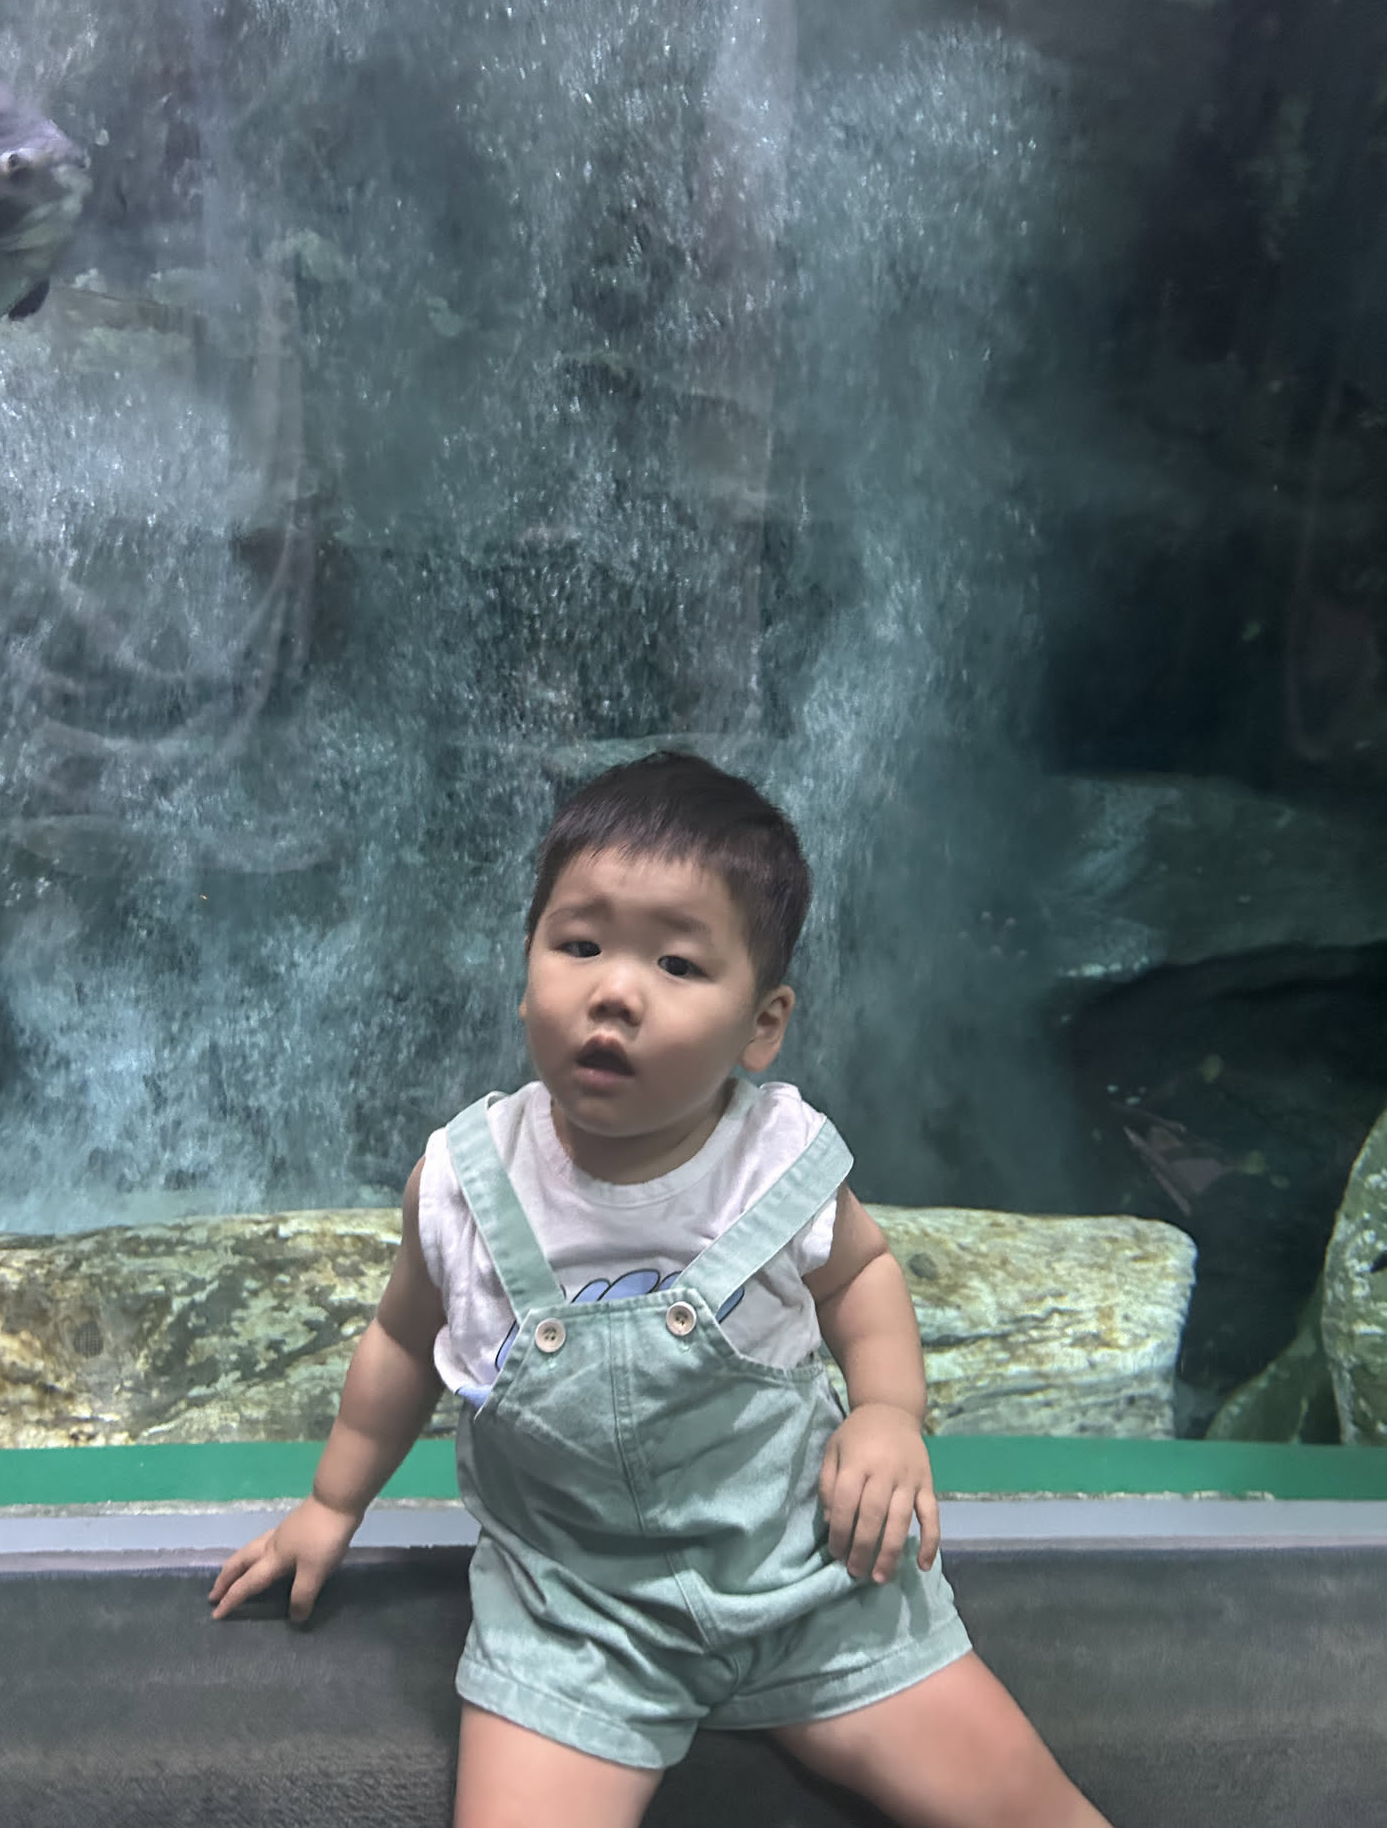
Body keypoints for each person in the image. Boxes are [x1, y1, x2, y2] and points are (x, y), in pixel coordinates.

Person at [210, 750, 1112, 1828]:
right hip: (576, 1614)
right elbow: (403, 1342)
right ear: (526, 972)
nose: (615, 991)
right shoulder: (464, 1181)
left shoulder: (777, 1162)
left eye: (678, 964)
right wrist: (331, 1505)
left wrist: (887, 1411)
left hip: (811, 1577)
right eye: (579, 945)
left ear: (762, 1024)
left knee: (1028, 1807)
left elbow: (862, 1274)